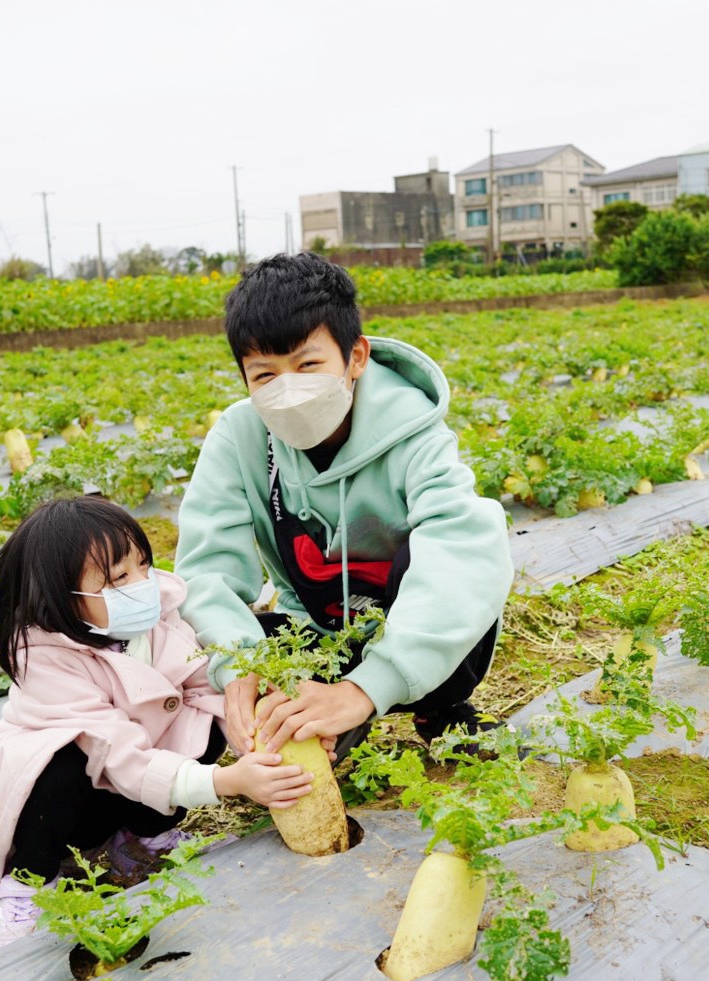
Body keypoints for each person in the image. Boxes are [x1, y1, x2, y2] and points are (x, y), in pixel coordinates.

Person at [175, 252, 513, 763]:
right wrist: (241, 667)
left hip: (408, 633)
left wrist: (364, 690)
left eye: (308, 365)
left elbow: (464, 554)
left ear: (355, 357)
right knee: (199, 645)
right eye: (265, 375)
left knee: (444, 573)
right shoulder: (238, 436)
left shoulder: (413, 432)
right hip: (317, 632)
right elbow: (206, 571)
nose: (287, 389)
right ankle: (320, 716)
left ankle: (435, 707)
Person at [0, 496, 316, 950]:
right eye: (119, 577)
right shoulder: (44, 659)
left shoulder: (155, 619)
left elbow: (204, 686)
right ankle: (26, 885)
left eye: (143, 565)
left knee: (201, 720)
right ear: (62, 597)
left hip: (126, 784)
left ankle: (140, 838)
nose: (143, 583)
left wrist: (252, 732)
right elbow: (118, 755)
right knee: (59, 763)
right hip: (62, 805)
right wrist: (227, 782)